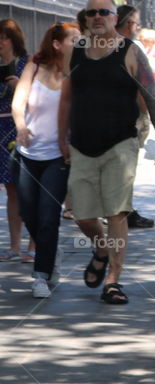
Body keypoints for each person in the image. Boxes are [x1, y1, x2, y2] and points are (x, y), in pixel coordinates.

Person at [58, 0, 155, 305]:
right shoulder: (76, 52)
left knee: (116, 212)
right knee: (82, 214)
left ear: (113, 17)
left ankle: (113, 281)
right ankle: (102, 248)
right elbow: (66, 98)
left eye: (103, 12)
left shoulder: (130, 52)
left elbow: (151, 96)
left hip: (121, 143)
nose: (97, 17)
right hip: (80, 143)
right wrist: (60, 137)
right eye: (91, 12)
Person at [12, 22, 80, 297]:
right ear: (56, 43)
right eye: (74, 39)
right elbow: (18, 102)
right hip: (27, 153)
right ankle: (50, 253)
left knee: (48, 216)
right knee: (27, 212)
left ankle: (41, 274)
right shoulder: (35, 65)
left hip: (58, 155)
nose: (80, 43)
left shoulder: (77, 73)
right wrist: (20, 125)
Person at [115, 5, 155, 230]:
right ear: (129, 24)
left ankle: (122, 208)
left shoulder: (98, 46)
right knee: (127, 166)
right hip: (131, 116)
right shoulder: (132, 47)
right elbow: (142, 87)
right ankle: (124, 210)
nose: (137, 27)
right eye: (136, 23)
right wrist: (146, 113)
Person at [0, 19, 33, 262]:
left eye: (4, 38)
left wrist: (17, 87)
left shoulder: (28, 63)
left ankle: (33, 245)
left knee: (27, 189)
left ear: (14, 39)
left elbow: (38, 99)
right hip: (0, 130)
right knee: (10, 189)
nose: (0, 43)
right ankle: (14, 246)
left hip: (20, 128)